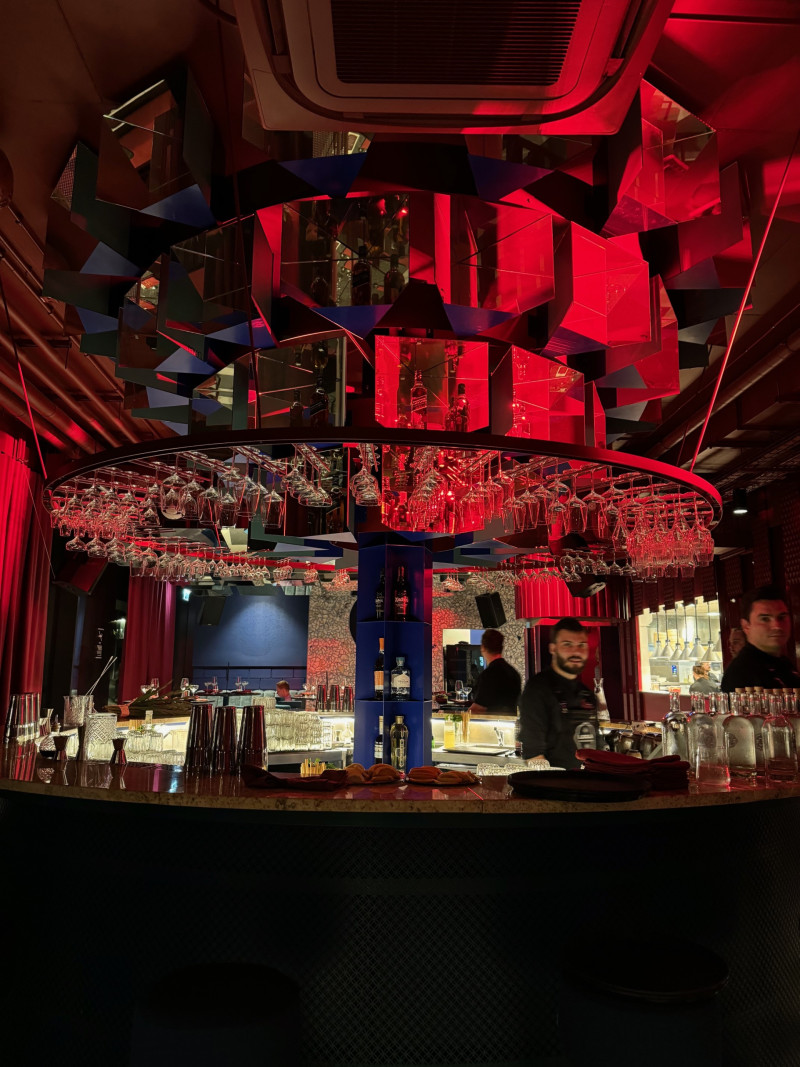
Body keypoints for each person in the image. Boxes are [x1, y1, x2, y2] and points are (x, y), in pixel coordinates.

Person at [518, 617, 601, 768]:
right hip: (556, 782)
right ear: (553, 648)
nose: (576, 651)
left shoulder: (586, 693)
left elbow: (596, 747)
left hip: (588, 780)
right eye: (567, 644)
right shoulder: (537, 689)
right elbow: (534, 755)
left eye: (581, 645)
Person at [720, 586, 800, 692]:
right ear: (746, 626)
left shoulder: (785, 665)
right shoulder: (741, 672)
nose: (777, 626)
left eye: (781, 617)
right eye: (765, 619)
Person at [467, 629, 521, 718]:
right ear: (501, 648)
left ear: (483, 648)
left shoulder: (488, 675)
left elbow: (477, 710)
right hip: (510, 722)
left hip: (491, 723)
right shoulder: (513, 673)